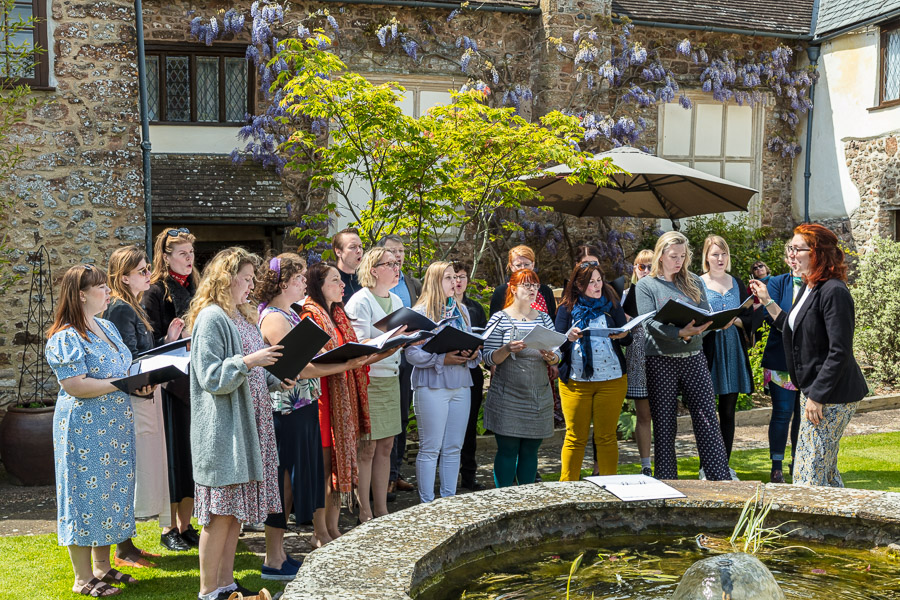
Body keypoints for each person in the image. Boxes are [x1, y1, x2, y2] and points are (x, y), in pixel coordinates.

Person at [186, 247, 293, 600]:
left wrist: (277, 378)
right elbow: (210, 376)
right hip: (225, 431)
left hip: (251, 428)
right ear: (226, 279)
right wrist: (251, 360)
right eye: (246, 279)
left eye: (252, 279)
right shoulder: (212, 318)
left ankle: (226, 584)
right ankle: (207, 591)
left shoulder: (242, 315)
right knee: (219, 514)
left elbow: (254, 371)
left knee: (236, 514)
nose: (251, 286)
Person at [255, 254, 370, 575]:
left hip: (300, 407)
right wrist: (344, 365)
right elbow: (298, 366)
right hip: (285, 410)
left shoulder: (289, 313)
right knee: (283, 483)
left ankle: (277, 554)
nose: (304, 283)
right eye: (298, 279)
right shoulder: (275, 318)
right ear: (282, 282)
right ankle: (272, 558)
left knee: (292, 480)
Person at [47, 264, 154, 597]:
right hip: (84, 428)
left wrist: (139, 383)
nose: (108, 292)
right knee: (83, 497)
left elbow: (124, 367)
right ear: (81, 295)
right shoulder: (65, 336)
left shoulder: (106, 325)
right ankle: (82, 579)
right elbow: (76, 385)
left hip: (114, 426)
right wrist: (122, 384)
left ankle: (103, 568)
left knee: (109, 494)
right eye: (101, 288)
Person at [750, 224, 867, 487]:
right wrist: (768, 301)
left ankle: (806, 528)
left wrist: (816, 396)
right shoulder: (809, 286)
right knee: (823, 471)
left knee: (807, 473)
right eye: (789, 249)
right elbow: (793, 329)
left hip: (832, 396)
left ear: (817, 254)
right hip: (815, 394)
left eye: (797, 249)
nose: (790, 254)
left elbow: (839, 351)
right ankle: (835, 525)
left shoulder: (834, 292)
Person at [634, 231, 731, 481]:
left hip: (694, 356)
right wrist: (679, 332)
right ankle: (666, 482)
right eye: (673, 256)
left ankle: (719, 478)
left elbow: (705, 314)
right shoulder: (646, 285)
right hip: (660, 360)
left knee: (708, 420)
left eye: (683, 256)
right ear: (661, 255)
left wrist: (717, 323)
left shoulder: (694, 281)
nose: (679, 261)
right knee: (665, 426)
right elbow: (649, 325)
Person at [105, 246, 179, 569]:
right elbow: (128, 360)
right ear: (124, 277)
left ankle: (128, 545)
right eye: (142, 271)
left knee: (143, 469)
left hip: (146, 395)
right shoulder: (121, 309)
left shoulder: (132, 306)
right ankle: (122, 547)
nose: (149, 275)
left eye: (148, 269)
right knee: (132, 471)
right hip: (134, 401)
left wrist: (167, 341)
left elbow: (142, 353)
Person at [299, 262, 371, 542]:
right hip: (322, 398)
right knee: (325, 469)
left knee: (337, 468)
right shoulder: (310, 314)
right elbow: (313, 358)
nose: (342, 285)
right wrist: (346, 362)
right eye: (335, 280)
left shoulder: (337, 313)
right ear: (319, 285)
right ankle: (320, 531)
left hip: (342, 398)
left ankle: (334, 527)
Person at [405, 261, 481, 503]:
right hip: (432, 385)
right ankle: (427, 503)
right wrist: (442, 358)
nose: (455, 282)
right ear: (435, 281)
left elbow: (470, 345)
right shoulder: (420, 313)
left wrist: (473, 353)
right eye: (448, 277)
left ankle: (449, 500)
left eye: (457, 277)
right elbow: (412, 354)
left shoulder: (462, 311)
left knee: (453, 447)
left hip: (461, 383)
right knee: (431, 448)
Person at [142, 227, 196, 552]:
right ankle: (168, 528)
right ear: (166, 256)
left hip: (193, 382)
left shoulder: (196, 288)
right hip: (168, 384)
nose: (189, 259)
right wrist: (169, 340)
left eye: (191, 254)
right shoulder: (154, 292)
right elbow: (145, 346)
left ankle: (187, 525)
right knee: (173, 455)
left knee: (190, 455)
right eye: (182, 254)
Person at [482, 269, 560, 487]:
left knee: (530, 451)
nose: (533, 289)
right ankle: (504, 501)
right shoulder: (500, 318)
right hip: (508, 395)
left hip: (538, 394)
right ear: (513, 288)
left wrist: (552, 357)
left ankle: (526, 503)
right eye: (527, 285)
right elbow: (487, 356)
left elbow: (558, 353)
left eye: (535, 285)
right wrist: (506, 349)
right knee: (507, 450)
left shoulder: (544, 318)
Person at [344, 247, 405, 520]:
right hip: (368, 380)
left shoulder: (398, 301)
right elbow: (356, 344)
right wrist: (390, 337)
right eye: (389, 263)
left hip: (391, 378)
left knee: (387, 446)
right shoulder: (360, 301)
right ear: (373, 270)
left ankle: (382, 508)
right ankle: (364, 510)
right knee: (366, 447)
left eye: (397, 263)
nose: (396, 267)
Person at [555, 263, 631, 479]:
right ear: (578, 285)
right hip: (576, 383)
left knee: (606, 436)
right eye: (591, 282)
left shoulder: (611, 303)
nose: (597, 286)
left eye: (599, 280)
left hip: (612, 380)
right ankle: (567, 489)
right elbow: (556, 344)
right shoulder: (566, 308)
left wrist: (621, 335)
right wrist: (568, 337)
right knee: (574, 436)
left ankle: (609, 488)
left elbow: (627, 339)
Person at [699, 235, 753, 480]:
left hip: (732, 350)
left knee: (728, 413)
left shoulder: (738, 282)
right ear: (706, 257)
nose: (720, 259)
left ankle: (724, 466)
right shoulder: (697, 283)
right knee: (706, 414)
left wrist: (736, 321)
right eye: (715, 254)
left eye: (723, 254)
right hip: (708, 351)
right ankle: (705, 466)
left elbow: (751, 318)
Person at [377, 235, 421, 494]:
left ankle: (395, 472)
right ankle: (383, 480)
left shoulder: (412, 283)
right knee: (386, 418)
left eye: (401, 251)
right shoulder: (376, 285)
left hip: (408, 355)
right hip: (383, 357)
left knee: (402, 415)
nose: (398, 255)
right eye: (392, 251)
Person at [759, 243, 803, 483]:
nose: (794, 259)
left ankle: (798, 463)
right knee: (782, 413)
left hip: (808, 363)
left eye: (798, 254)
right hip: (780, 361)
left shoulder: (815, 285)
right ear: (786, 259)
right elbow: (772, 317)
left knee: (803, 415)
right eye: (790, 255)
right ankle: (776, 465)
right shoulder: (776, 283)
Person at [451, 261, 488, 491]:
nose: (458, 281)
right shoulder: (438, 306)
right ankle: (449, 477)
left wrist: (476, 350)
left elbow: (485, 338)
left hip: (472, 371)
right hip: (447, 370)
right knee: (449, 428)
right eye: (453, 277)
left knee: (469, 426)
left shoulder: (474, 308)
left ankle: (469, 474)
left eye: (462, 276)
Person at [621, 249, 654, 477]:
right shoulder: (625, 295)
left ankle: (664, 459)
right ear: (635, 268)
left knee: (663, 415)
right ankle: (645, 465)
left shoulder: (663, 292)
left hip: (660, 356)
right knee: (643, 415)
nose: (645, 271)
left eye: (650, 266)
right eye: (641, 266)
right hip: (637, 360)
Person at [489, 245, 557, 319]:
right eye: (518, 265)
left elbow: (553, 320)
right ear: (511, 267)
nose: (523, 268)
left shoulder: (545, 291)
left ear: (533, 265)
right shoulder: (501, 291)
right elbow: (495, 322)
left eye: (526, 264)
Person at [333, 228, 364, 303]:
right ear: (338, 252)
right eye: (353, 247)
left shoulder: (365, 280)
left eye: (360, 246)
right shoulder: (330, 282)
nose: (359, 251)